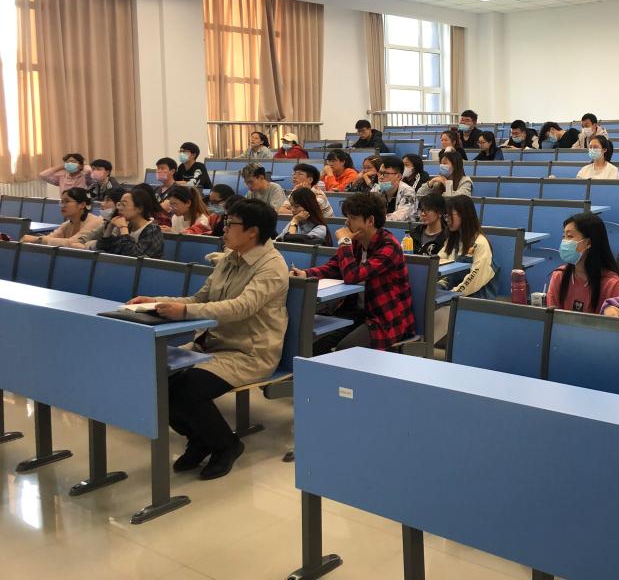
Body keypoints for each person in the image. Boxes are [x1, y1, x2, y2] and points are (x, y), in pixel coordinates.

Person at [128, 199, 288, 480]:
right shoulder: (229, 259)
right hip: (213, 345)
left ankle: (227, 445)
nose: (223, 228)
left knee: (188, 387)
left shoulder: (272, 266)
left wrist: (184, 312)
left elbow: (242, 307)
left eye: (230, 223)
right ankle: (200, 439)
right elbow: (199, 299)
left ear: (252, 231)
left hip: (249, 352)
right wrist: (155, 302)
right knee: (158, 378)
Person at [292, 192, 414, 351]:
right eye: (347, 217)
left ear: (370, 221)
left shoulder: (389, 247)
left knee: (346, 348)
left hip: (384, 318)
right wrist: (306, 274)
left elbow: (352, 276)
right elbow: (333, 267)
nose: (347, 223)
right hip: (355, 313)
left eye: (353, 218)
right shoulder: (357, 243)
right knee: (315, 344)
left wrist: (344, 242)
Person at [546, 213, 619, 313]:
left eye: (570, 236)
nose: (564, 242)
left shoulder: (611, 284)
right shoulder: (559, 276)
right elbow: (552, 318)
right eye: (563, 236)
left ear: (588, 243)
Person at [438, 195, 496, 298]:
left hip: (473, 296)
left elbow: (475, 279)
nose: (447, 220)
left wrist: (452, 294)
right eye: (446, 216)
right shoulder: (452, 240)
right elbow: (440, 262)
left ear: (463, 215)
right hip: (452, 289)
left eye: (450, 215)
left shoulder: (480, 243)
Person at [96, 186, 165, 259]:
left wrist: (123, 229)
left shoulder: (153, 231)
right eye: (119, 204)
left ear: (139, 209)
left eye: (124, 205)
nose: (119, 208)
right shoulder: (128, 227)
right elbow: (103, 248)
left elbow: (135, 257)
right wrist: (110, 227)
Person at [20, 187, 103, 247]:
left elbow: (72, 242)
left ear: (82, 205)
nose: (62, 205)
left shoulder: (95, 221)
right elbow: (50, 238)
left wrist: (38, 239)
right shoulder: (67, 225)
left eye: (67, 201)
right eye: (61, 202)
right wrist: (36, 240)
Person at [374, 156, 418, 222]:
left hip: (402, 227)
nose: (381, 177)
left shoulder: (408, 192)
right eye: (380, 173)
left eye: (385, 173)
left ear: (398, 176)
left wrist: (374, 219)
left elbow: (400, 217)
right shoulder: (377, 189)